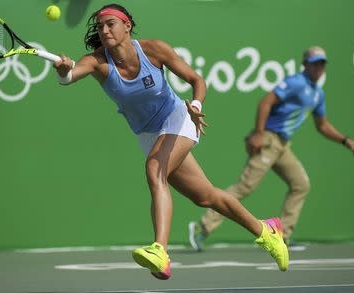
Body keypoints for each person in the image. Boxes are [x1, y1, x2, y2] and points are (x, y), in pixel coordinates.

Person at [52, 3, 289, 279]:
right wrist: (63, 69)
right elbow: (69, 76)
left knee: (155, 170)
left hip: (178, 118)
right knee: (206, 196)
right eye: (100, 27)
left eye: (110, 24)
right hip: (148, 134)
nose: (104, 31)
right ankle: (267, 230)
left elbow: (195, 79)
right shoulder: (97, 62)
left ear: (127, 26)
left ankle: (160, 251)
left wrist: (196, 106)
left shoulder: (153, 50)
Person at [189, 46, 354, 252]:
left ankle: (284, 236)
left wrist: (345, 140)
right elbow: (266, 102)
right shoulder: (295, 82)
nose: (318, 68)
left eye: (322, 64)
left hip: (283, 146)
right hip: (269, 141)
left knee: (300, 184)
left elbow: (322, 125)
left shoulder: (318, 94)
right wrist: (259, 134)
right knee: (245, 187)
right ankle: (202, 227)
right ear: (305, 64)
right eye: (315, 63)